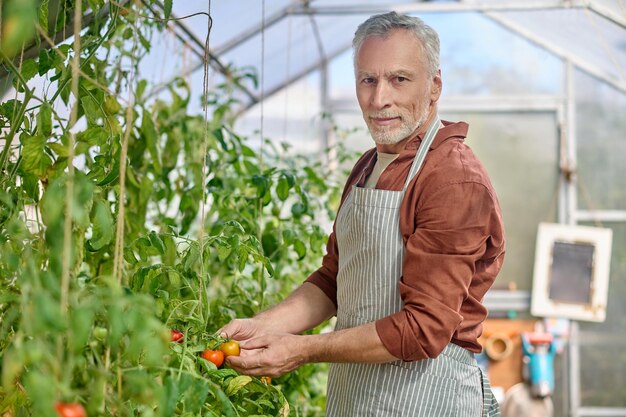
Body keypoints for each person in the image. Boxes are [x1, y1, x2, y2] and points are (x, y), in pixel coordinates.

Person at [220, 11, 505, 417]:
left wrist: (302, 350)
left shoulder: (452, 179)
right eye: (367, 80)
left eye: (399, 79)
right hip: (358, 396)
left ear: (435, 85)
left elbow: (425, 329)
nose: (378, 99)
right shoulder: (368, 166)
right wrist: (264, 326)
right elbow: (335, 279)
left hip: (427, 399)